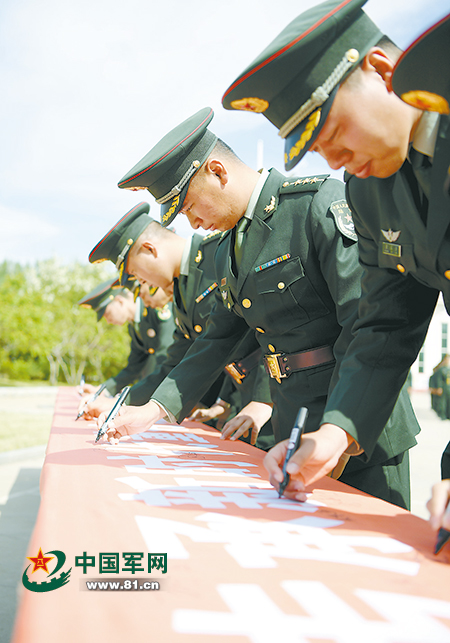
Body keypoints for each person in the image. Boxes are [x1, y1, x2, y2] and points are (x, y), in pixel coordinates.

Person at [97, 106, 420, 509]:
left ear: (217, 171)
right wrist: (155, 410)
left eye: (191, 206)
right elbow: (215, 339)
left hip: (361, 427)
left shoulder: (313, 204)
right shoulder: (225, 252)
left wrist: (341, 429)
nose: (193, 224)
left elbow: (364, 322)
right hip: (294, 427)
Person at [222, 1, 450, 499]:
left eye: (333, 134)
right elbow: (385, 322)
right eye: (317, 149)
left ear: (383, 71)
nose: (335, 159)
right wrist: (336, 432)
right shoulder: (371, 190)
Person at [87, 201, 275, 449]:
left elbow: (270, 324)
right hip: (246, 396)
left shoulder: (220, 253)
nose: (141, 282)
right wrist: (128, 406)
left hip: (274, 392)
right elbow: (178, 362)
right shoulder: (182, 288)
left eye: (136, 273)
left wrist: (265, 398)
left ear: (150, 249)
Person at [78, 274, 175, 397]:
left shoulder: (156, 308)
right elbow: (134, 366)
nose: (108, 320)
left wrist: (135, 396)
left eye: (107, 313)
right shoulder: (134, 326)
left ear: (119, 301)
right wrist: (103, 390)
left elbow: (164, 357)